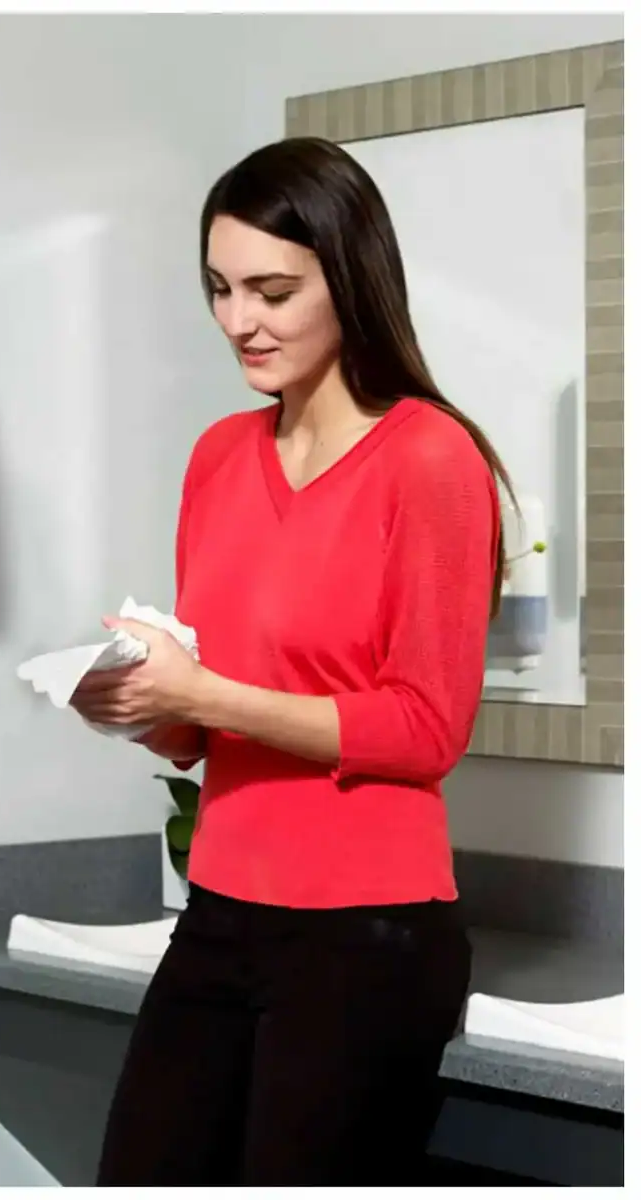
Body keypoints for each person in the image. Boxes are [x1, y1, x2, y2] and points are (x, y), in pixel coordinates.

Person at [69, 136, 510, 1187]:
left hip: (367, 938)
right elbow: (200, 731)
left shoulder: (430, 458)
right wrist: (138, 702)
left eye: (272, 289)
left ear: (349, 280)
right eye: (220, 288)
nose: (238, 321)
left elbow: (424, 731)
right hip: (220, 912)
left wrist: (205, 692)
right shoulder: (220, 457)